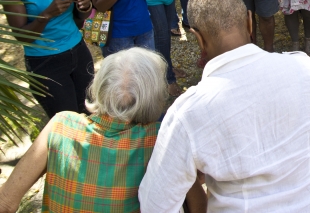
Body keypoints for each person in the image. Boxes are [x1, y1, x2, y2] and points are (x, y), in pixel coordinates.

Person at [138, 0, 310, 212]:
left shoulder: (188, 113)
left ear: (198, 39)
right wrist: (301, 129)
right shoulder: (307, 69)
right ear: (249, 21)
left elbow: (155, 204)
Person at [0, 47, 206, 213]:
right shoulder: (158, 137)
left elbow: (6, 202)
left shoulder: (59, 125)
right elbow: (198, 205)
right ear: (154, 98)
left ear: (99, 87)